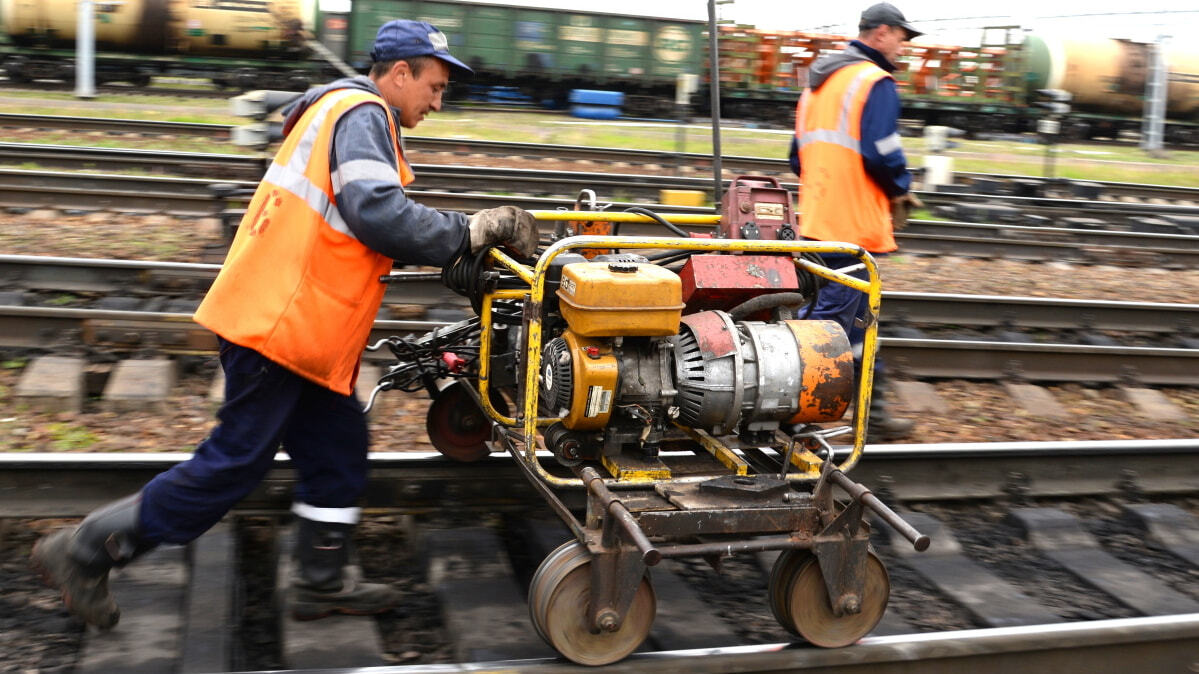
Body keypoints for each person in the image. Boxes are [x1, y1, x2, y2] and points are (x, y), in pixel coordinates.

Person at [30, 19, 539, 629]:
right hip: (279, 326)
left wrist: (450, 256)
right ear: (400, 74)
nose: (437, 100)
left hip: (302, 333)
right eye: (434, 85)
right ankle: (87, 550)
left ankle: (321, 580)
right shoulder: (362, 112)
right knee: (235, 462)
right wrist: (466, 232)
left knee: (337, 447)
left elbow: (353, 230)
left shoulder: (341, 114)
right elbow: (376, 212)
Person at [788, 3, 921, 441]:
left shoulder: (816, 85)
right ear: (881, 33)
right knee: (830, 331)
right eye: (903, 36)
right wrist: (901, 187)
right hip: (853, 228)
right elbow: (881, 152)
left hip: (817, 223)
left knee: (855, 325)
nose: (905, 46)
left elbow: (796, 158)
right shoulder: (874, 82)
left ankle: (872, 413)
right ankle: (793, 418)